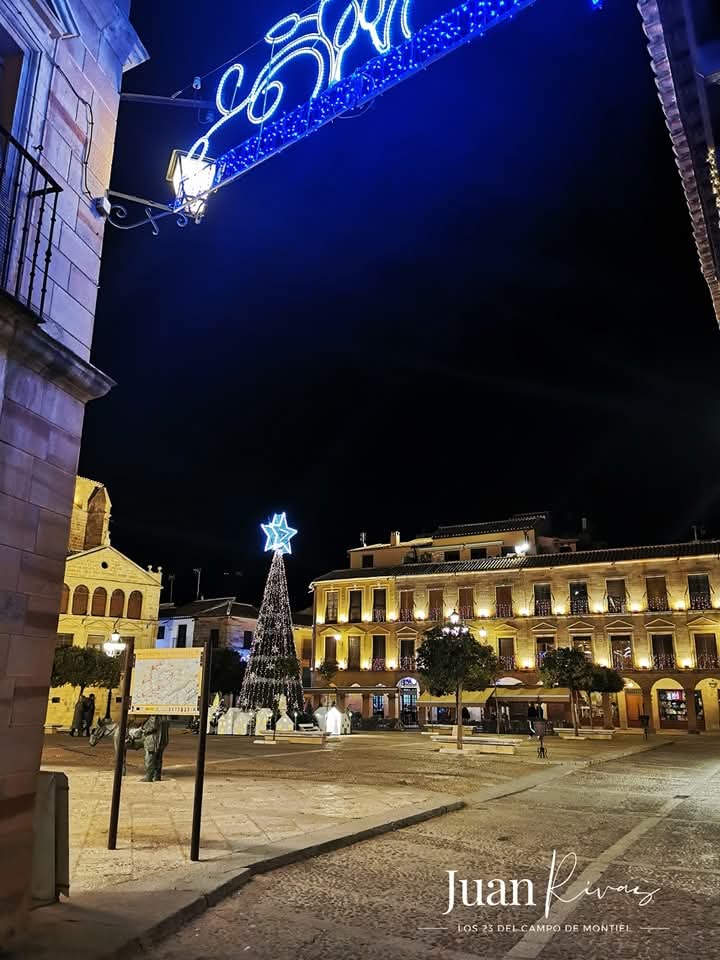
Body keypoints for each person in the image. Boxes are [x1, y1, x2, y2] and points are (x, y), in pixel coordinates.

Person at [139, 715, 170, 782]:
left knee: (149, 759)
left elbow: (152, 727)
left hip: (153, 741)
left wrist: (143, 730)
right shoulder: (165, 716)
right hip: (162, 741)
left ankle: (149, 777)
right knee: (158, 759)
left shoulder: (154, 716)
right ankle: (157, 776)